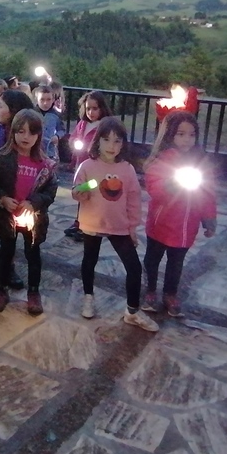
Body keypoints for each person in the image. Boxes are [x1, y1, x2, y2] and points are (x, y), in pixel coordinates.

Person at [72, 117, 158, 331]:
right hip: (93, 223)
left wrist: (132, 227)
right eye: (106, 139)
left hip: (118, 226)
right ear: (97, 141)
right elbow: (77, 191)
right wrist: (83, 190)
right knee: (89, 260)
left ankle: (132, 311)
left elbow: (133, 199)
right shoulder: (87, 166)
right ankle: (88, 297)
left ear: (123, 144)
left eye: (117, 141)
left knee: (134, 267)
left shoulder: (127, 169)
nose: (111, 146)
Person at [142, 111, 217, 318]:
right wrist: (171, 183)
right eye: (181, 134)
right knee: (152, 259)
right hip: (160, 224)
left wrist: (209, 219)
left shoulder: (200, 162)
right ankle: (149, 289)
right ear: (170, 135)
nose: (187, 139)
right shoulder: (162, 160)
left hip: (186, 227)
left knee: (176, 262)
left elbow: (207, 193)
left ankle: (170, 293)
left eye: (192, 134)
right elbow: (154, 188)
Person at [0, 109, 57, 316]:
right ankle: (2, 287)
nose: (26, 137)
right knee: (6, 253)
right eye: (21, 131)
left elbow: (50, 190)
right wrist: (1, 198)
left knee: (33, 254)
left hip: (32, 220)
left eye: (31, 132)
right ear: (13, 132)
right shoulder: (2, 158)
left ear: (39, 135)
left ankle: (33, 291)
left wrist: (34, 202)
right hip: (7, 216)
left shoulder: (45, 164)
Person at [0, 89, 35, 289]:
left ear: (13, 111)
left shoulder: (25, 137)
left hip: (14, 192)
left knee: (9, 232)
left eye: (1, 106)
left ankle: (8, 267)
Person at [65, 91, 114, 243]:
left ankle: (87, 226)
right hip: (81, 168)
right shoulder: (82, 124)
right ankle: (78, 223)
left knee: (90, 197)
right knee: (81, 194)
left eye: (95, 108)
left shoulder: (104, 127)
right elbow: (74, 137)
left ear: (102, 108)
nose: (91, 112)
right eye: (88, 109)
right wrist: (74, 144)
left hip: (95, 171)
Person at [34, 84, 66, 161]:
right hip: (34, 149)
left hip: (50, 151)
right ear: (37, 100)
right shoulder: (32, 113)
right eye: (42, 100)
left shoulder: (56, 115)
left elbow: (62, 129)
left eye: (48, 99)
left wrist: (57, 136)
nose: (45, 103)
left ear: (53, 100)